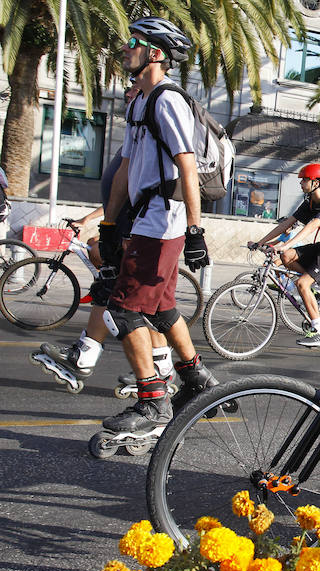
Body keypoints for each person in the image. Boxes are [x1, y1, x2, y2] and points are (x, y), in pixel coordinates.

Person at [97, 16, 217, 438]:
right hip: (144, 220)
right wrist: (110, 223)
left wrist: (195, 229)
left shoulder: (168, 101)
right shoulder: (138, 104)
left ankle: (153, 401)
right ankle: (198, 380)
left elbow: (188, 166)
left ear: (155, 53)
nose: (125, 47)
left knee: (123, 310)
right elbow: (126, 169)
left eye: (133, 41)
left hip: (162, 221)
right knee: (163, 308)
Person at [33, 86, 176, 395]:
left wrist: (127, 235)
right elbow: (118, 189)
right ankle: (88, 357)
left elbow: (147, 191)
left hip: (141, 234)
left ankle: (161, 372)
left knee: (134, 305)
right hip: (127, 231)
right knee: (110, 293)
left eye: (135, 92)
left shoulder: (151, 138)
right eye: (128, 92)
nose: (128, 96)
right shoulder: (134, 138)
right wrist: (97, 221)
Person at [252, 163, 320, 346]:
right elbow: (287, 223)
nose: (301, 183)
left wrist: (287, 244)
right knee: (287, 257)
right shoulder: (310, 202)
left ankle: (318, 332)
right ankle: (314, 288)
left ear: (316, 182)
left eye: (304, 179)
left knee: (301, 283)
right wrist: (262, 242)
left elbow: (314, 224)